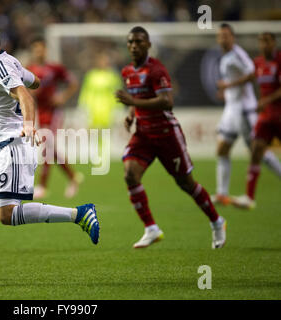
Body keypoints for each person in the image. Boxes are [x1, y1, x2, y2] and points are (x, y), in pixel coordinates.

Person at [0, 17, 100, 287]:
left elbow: (26, 95)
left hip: (15, 148)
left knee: (6, 215)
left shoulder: (0, 67)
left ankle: (80, 214)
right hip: (7, 151)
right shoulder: (10, 62)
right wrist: (21, 83)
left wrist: (28, 125)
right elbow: (36, 82)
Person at [115, 26, 226, 249]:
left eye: (139, 42)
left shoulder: (157, 70)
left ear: (148, 45)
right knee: (130, 175)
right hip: (144, 135)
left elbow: (167, 101)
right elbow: (136, 97)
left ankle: (217, 221)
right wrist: (131, 115)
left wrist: (133, 104)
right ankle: (151, 228)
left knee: (186, 184)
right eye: (131, 42)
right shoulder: (128, 71)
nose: (134, 46)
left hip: (167, 135)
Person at [213, 23, 281, 206]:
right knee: (222, 149)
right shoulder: (225, 56)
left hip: (243, 109)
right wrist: (227, 91)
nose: (223, 39)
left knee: (258, 152)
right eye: (220, 36)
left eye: (226, 35)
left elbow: (252, 73)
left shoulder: (238, 54)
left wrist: (229, 86)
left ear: (232, 37)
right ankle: (222, 194)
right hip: (231, 108)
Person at [26, 37, 83, 199]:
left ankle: (43, 186)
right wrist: (30, 92)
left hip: (54, 112)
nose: (39, 52)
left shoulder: (54, 68)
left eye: (41, 48)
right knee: (49, 148)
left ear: (45, 50)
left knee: (47, 146)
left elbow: (73, 83)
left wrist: (63, 96)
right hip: (39, 111)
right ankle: (73, 178)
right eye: (36, 49)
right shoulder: (29, 69)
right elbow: (22, 89)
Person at [233, 32, 281, 209]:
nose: (263, 45)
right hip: (266, 117)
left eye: (267, 41)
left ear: (274, 43)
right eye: (261, 41)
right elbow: (249, 77)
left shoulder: (279, 61)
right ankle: (249, 197)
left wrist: (266, 101)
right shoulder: (259, 62)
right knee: (256, 150)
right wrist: (228, 85)